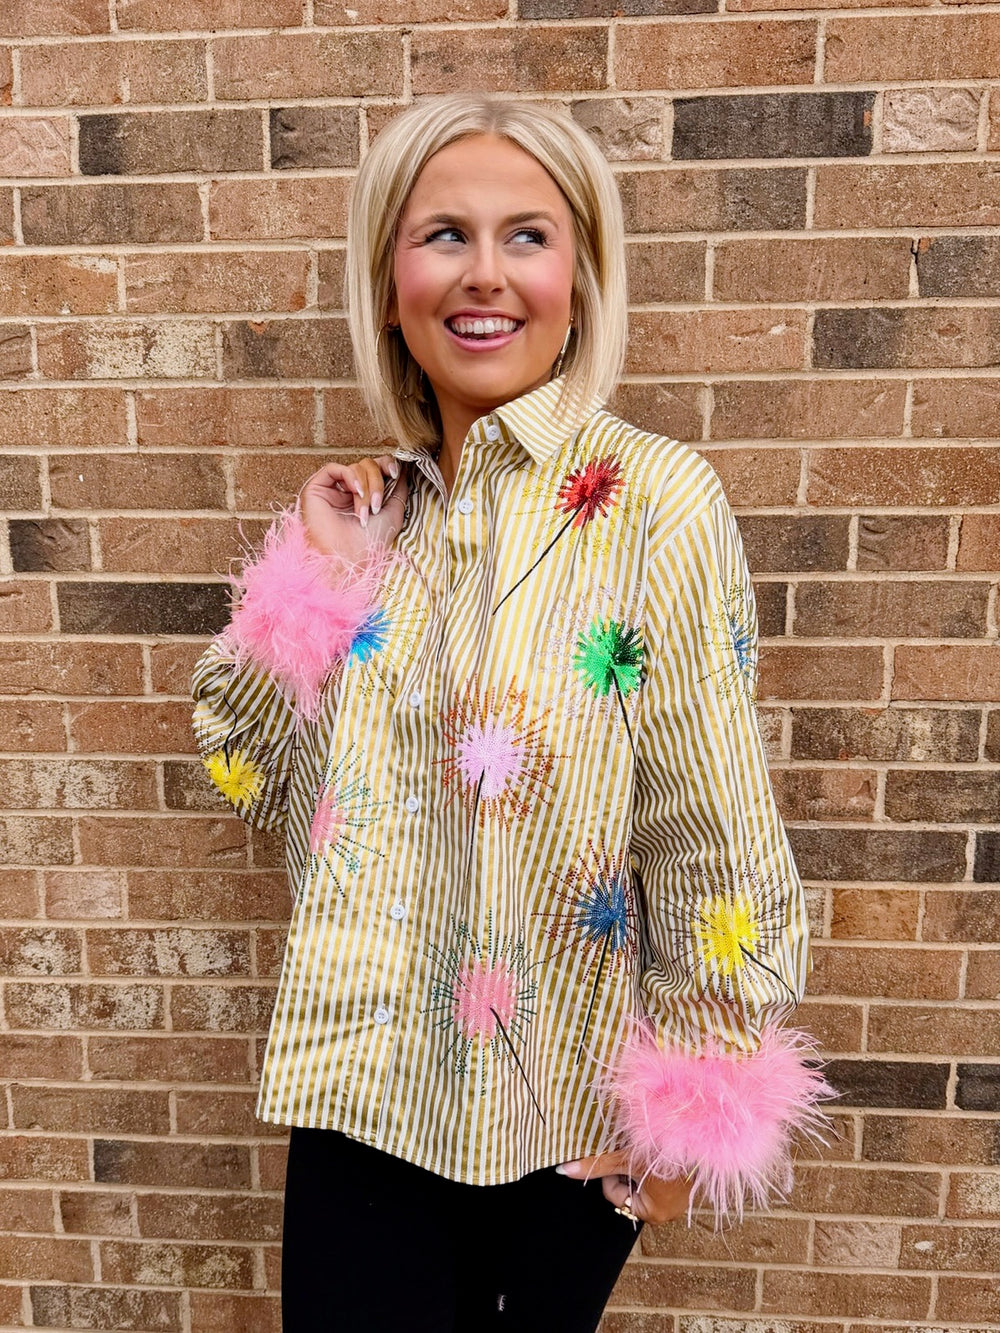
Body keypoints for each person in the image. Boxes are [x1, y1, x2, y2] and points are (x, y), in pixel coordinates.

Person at [191, 94, 828, 1332]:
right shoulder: (376, 520)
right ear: (388, 280)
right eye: (444, 234)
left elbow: (709, 812)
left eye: (527, 236)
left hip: (563, 1119)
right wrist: (316, 573)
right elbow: (248, 775)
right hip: (367, 1101)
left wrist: (702, 1093)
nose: (485, 274)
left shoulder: (656, 504)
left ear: (580, 277)